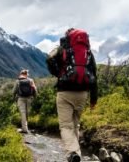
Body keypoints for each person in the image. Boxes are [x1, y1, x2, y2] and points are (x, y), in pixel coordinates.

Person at [46, 28, 98, 162]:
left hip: (64, 92)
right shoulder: (88, 52)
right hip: (83, 94)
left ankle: (73, 153)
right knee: (75, 124)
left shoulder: (62, 48)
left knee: (65, 126)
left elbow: (49, 59)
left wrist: (58, 73)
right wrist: (93, 100)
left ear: (67, 36)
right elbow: (94, 74)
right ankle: (77, 154)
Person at [12, 69, 37, 134]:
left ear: (21, 74)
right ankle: (26, 127)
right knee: (27, 113)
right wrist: (35, 97)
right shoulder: (31, 80)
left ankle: (25, 129)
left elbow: (14, 91)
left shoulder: (18, 81)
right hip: (29, 98)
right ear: (27, 74)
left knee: (23, 113)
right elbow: (35, 89)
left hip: (21, 98)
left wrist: (14, 98)